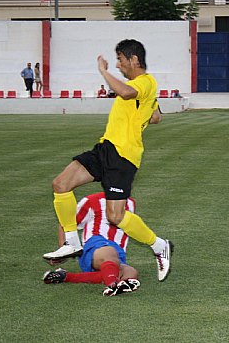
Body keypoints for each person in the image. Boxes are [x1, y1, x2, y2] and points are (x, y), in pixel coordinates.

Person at [42, 39, 173, 282]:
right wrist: (148, 109)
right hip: (105, 148)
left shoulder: (145, 81)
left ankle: (159, 245)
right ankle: (71, 241)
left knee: (116, 216)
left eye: (121, 60)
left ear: (133, 60)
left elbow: (124, 92)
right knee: (61, 184)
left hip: (123, 157)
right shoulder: (144, 88)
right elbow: (156, 118)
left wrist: (103, 71)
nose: (118, 64)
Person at [43, 192, 141, 297]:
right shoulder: (92, 200)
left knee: (131, 273)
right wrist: (64, 250)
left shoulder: (130, 203)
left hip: (118, 252)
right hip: (95, 243)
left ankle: (66, 276)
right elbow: (66, 223)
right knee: (109, 253)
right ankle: (112, 285)